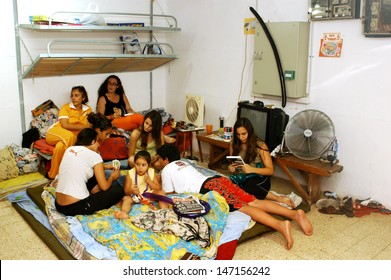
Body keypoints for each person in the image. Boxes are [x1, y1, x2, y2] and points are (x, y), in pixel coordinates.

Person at [156, 144, 313, 250]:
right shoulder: (184, 163)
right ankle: (294, 213)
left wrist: (156, 184)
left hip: (208, 188)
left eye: (158, 160)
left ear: (166, 160)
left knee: (246, 208)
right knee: (254, 201)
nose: (157, 163)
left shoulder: (166, 169)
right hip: (218, 181)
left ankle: (280, 225)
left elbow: (170, 195)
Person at [55, 128, 124, 216]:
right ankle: (94, 195)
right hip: (76, 206)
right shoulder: (94, 156)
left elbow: (83, 165)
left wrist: (106, 166)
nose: (98, 145)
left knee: (89, 175)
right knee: (120, 190)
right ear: (92, 141)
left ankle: (95, 192)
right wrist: (112, 177)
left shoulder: (69, 149)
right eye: (97, 141)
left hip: (59, 205)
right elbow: (105, 187)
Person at [229, 117, 296, 208]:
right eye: (238, 134)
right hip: (242, 176)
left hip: (259, 178)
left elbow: (270, 170)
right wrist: (231, 167)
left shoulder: (260, 145)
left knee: (249, 186)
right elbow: (233, 163)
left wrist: (251, 169)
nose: (241, 137)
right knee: (228, 186)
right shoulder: (234, 143)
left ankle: (278, 198)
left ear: (250, 131)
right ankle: (253, 196)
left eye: (244, 134)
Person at [46, 86, 93, 179]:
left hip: (68, 137)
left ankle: (53, 175)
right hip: (55, 132)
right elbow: (65, 125)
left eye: (76, 95)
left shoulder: (88, 110)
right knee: (70, 136)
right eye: (72, 96)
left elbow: (90, 126)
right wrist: (84, 126)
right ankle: (69, 169)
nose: (73, 98)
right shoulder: (66, 107)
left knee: (59, 147)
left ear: (83, 97)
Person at [114, 150, 167, 220]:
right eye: (137, 164)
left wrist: (149, 182)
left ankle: (165, 211)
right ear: (134, 163)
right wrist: (132, 191)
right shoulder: (130, 173)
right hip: (135, 197)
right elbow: (126, 191)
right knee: (126, 199)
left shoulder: (151, 171)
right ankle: (124, 213)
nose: (140, 167)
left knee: (162, 193)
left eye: (143, 165)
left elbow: (158, 188)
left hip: (148, 195)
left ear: (149, 165)